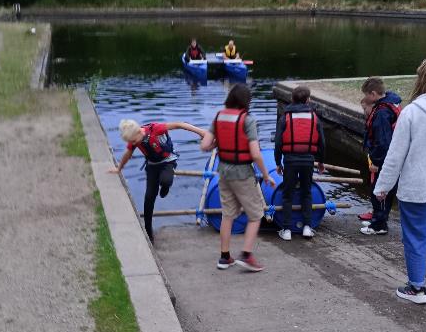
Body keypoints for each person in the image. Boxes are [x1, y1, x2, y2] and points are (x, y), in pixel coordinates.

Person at [373, 58, 426, 305]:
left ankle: (416, 288)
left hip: (417, 188)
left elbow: (395, 155)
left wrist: (382, 187)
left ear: (421, 79)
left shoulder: (411, 112)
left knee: (415, 236)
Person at [201, 84, 276, 272]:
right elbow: (256, 154)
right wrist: (266, 175)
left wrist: (219, 143)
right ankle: (247, 255)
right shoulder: (247, 120)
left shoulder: (218, 116)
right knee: (256, 214)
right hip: (242, 173)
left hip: (223, 172)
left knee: (228, 214)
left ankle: (224, 257)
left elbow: (205, 145)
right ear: (246, 101)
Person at [110, 119, 205, 243]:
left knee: (165, 181)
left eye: (133, 141)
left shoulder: (156, 129)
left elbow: (179, 124)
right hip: (152, 165)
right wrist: (119, 168)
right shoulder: (133, 139)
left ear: (139, 132)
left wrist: (201, 132)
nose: (132, 143)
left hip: (167, 161)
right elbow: (128, 154)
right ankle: (148, 232)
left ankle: (165, 187)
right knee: (149, 198)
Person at [274, 85, 325, 241]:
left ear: (292, 99)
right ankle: (307, 228)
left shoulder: (285, 117)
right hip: (308, 161)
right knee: (306, 193)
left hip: (290, 160)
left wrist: (278, 162)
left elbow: (278, 142)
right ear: (308, 100)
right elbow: (322, 142)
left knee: (287, 194)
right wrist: (321, 161)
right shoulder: (314, 118)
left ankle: (287, 230)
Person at [360, 77, 402, 235]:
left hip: (383, 160)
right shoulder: (389, 103)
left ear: (373, 94)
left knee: (380, 191)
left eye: (366, 94)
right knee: (378, 190)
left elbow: (383, 142)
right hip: (388, 157)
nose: (365, 98)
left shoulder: (382, 113)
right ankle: (378, 219)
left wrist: (376, 162)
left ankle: (379, 225)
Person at [358, 96, 376, 222]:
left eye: (365, 109)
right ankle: (375, 210)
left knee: (376, 185)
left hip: (376, 159)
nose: (364, 112)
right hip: (372, 155)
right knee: (372, 183)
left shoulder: (378, 118)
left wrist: (376, 161)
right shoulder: (372, 118)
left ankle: (377, 214)